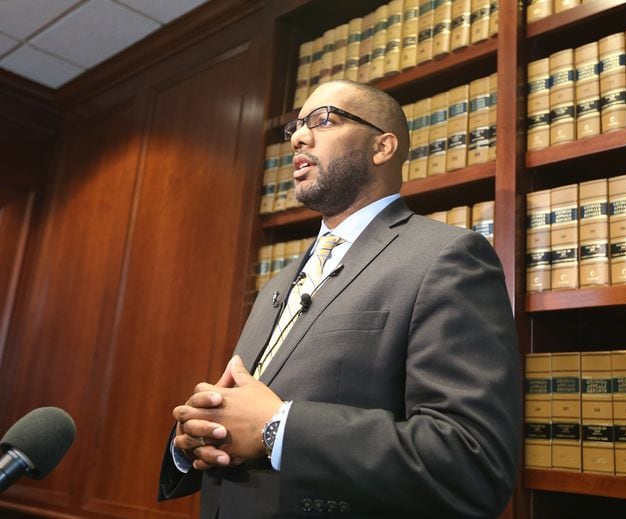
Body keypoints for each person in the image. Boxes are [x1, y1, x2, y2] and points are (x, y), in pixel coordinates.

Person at [158, 79, 522, 518]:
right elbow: (244, 413)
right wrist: (198, 435)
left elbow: (471, 461)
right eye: (296, 125)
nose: (298, 136)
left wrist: (279, 429)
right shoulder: (277, 284)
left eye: (323, 120)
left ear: (383, 147)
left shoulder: (446, 257)